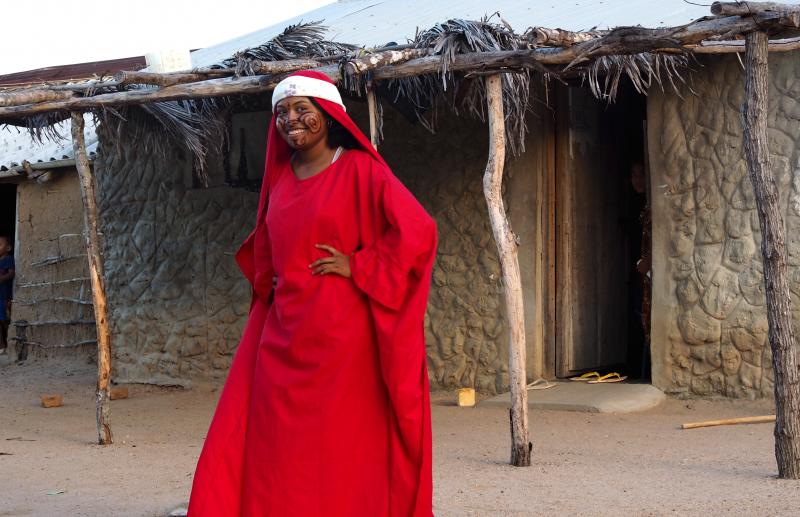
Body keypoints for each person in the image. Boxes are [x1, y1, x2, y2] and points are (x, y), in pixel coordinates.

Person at [188, 71, 437, 517]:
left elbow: (418, 231)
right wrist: (274, 280)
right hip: (284, 332)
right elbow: (268, 242)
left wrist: (357, 263)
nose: (291, 119)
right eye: (281, 112)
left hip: (343, 337)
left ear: (328, 113)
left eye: (303, 109)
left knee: (339, 440)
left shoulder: (360, 169)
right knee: (273, 438)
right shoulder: (281, 176)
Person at [630, 163, 651, 379]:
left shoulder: (653, 205)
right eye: (633, 175)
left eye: (642, 174)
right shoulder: (637, 205)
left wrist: (650, 259)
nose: (637, 179)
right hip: (639, 276)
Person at [0, 235, 14, 353]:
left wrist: (3, 278)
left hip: (4, 296)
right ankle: (1, 345)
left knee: (5, 320)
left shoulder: (8, 259)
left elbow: (11, 273)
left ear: (8, 248)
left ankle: (11, 344)